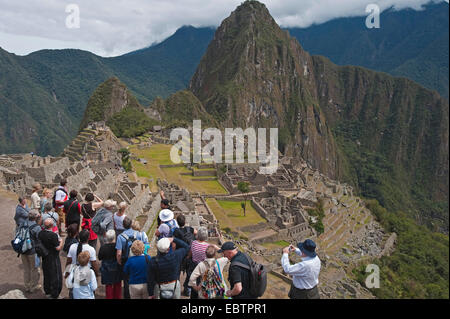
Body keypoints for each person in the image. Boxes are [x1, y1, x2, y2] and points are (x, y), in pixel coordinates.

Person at [116, 217, 149, 299]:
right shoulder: (138, 234)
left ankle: (127, 296)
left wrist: (119, 261)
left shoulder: (120, 237)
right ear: (131, 224)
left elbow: (119, 253)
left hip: (126, 259)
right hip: (138, 257)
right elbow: (142, 245)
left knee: (126, 280)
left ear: (123, 225)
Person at [38, 218, 64, 299]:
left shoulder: (40, 233)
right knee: (56, 276)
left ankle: (47, 291)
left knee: (47, 274)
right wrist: (62, 242)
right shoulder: (53, 235)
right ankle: (55, 294)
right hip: (53, 257)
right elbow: (58, 248)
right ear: (52, 225)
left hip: (45, 257)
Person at [173, 214, 197, 296]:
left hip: (180, 253)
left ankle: (177, 290)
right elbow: (196, 233)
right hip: (190, 254)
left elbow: (174, 243)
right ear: (185, 221)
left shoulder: (176, 231)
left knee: (177, 272)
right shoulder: (189, 229)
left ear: (177, 222)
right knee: (189, 272)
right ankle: (187, 290)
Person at [188, 226, 214, 299]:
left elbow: (190, 252)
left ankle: (193, 296)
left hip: (194, 265)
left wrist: (188, 257)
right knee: (203, 283)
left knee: (194, 282)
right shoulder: (207, 246)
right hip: (203, 266)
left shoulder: (193, 243)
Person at [20, 210, 42, 293]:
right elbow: (40, 239)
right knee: (34, 269)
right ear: (36, 217)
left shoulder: (23, 224)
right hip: (32, 251)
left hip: (23, 249)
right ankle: (33, 286)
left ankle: (27, 286)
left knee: (26, 269)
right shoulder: (37, 227)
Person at [98, 230, 122, 299]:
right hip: (116, 268)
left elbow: (99, 257)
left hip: (106, 269)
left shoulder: (103, 247)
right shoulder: (117, 246)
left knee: (108, 286)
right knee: (117, 284)